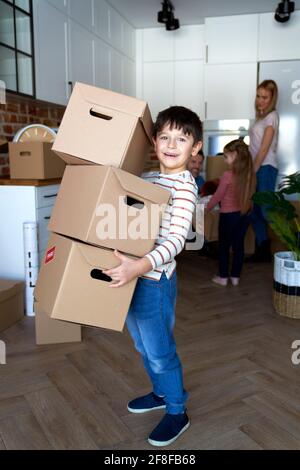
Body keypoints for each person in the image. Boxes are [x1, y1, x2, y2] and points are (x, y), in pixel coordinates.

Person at [103, 106, 202, 447]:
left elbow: (176, 241)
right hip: (133, 274)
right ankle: (161, 392)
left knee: (160, 351)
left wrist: (140, 266)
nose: (172, 144)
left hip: (155, 280)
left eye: (182, 138)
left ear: (196, 148)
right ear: (154, 142)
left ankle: (177, 410)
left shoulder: (185, 186)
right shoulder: (147, 178)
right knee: (141, 344)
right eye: (164, 137)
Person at [205, 140, 256, 286]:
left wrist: (207, 208)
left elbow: (218, 196)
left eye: (226, 156)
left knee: (224, 247)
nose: (225, 160)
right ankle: (235, 277)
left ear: (235, 156)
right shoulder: (250, 175)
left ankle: (222, 277)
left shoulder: (228, 175)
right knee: (238, 246)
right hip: (244, 215)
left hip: (228, 216)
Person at [247, 79, 279, 262]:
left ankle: (294, 242)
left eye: (265, 97)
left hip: (265, 168)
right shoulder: (261, 117)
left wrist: (253, 171)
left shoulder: (272, 116)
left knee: (267, 210)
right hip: (257, 167)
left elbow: (264, 149)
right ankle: (263, 250)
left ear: (272, 98)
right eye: (258, 96)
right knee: (254, 211)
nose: (260, 100)